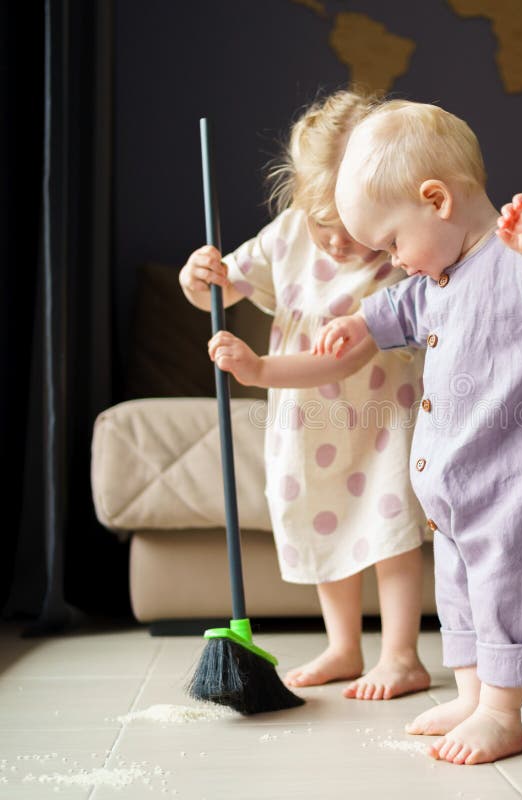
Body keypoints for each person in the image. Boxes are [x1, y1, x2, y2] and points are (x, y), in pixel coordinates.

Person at [312, 100, 522, 763]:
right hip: (455, 489)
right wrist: (361, 327)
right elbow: (397, 307)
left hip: (520, 490)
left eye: (394, 242)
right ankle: (470, 693)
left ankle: (502, 714)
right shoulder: (437, 277)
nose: (397, 262)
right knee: (457, 593)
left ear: (437, 200)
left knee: (507, 595)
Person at [179, 90, 431, 701]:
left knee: (388, 525)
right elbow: (224, 288)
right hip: (308, 425)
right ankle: (344, 648)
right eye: (324, 223)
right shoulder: (289, 235)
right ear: (298, 201)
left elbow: (347, 354)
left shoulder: (394, 255)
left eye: (351, 224)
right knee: (326, 521)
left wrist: (260, 368)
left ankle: (402, 656)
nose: (339, 241)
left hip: (379, 419)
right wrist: (198, 277)